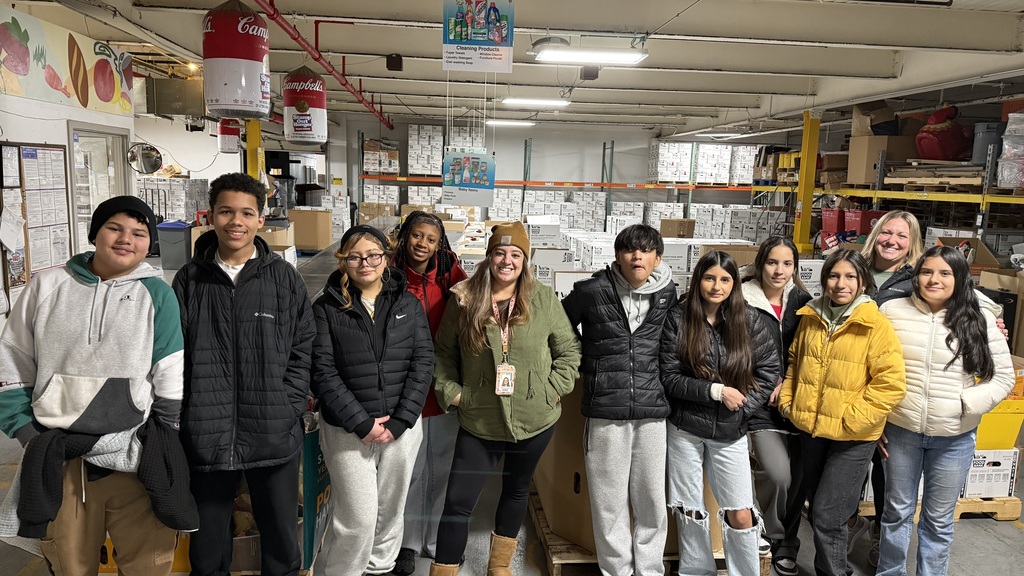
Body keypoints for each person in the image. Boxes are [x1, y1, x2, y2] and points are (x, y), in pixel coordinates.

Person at [0, 196, 189, 575]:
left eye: (138, 233)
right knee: (71, 564)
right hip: (61, 456)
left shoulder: (157, 294)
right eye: (115, 228)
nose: (126, 239)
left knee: (147, 564)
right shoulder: (48, 285)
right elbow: (13, 357)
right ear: (96, 233)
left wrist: (163, 434)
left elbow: (168, 368)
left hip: (133, 455)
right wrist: (25, 432)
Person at [173, 173, 316, 576]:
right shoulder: (190, 280)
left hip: (272, 432)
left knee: (281, 546)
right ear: (211, 216)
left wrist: (286, 405)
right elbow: (172, 354)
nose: (236, 221)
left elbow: (303, 347)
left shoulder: (283, 279)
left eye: (246, 213)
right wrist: (187, 412)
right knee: (206, 550)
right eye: (226, 211)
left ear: (260, 219)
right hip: (206, 434)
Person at [430, 221, 581, 576]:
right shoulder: (464, 298)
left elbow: (569, 350)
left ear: (525, 260)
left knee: (515, 492)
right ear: (489, 257)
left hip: (534, 418)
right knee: (458, 503)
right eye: (500, 252)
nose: (507, 260)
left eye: (516, 254)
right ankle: (445, 568)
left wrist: (553, 388)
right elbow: (443, 353)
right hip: (479, 418)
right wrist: (452, 393)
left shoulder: (541, 298)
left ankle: (499, 567)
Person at [876, 246, 1014, 576]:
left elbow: (1004, 376)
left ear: (958, 278)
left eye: (944, 273)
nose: (934, 279)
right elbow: (871, 368)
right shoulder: (892, 311)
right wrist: (877, 419)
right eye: (927, 272)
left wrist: (964, 404)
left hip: (954, 438)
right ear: (916, 276)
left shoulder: (977, 316)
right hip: (901, 431)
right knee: (896, 513)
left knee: (938, 521)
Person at [311, 225, 434, 575]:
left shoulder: (407, 303)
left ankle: (380, 570)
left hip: (402, 427)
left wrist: (399, 421)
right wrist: (362, 423)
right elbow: (322, 372)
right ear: (343, 261)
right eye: (354, 256)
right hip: (349, 431)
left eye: (373, 255)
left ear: (385, 257)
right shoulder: (326, 308)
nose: (365, 263)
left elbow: (423, 362)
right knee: (357, 520)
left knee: (391, 514)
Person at [778, 249, 906, 576]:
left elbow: (890, 384)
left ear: (863, 282)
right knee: (823, 513)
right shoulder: (811, 316)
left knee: (827, 515)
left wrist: (852, 420)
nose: (841, 283)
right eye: (834, 276)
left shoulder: (875, 324)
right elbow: (795, 364)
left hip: (853, 438)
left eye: (850, 276)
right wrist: (791, 405)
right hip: (811, 429)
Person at [561, 224, 677, 576]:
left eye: (645, 251)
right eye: (629, 250)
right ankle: (617, 570)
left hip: (652, 411)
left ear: (657, 258)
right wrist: (587, 360)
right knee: (608, 501)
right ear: (617, 256)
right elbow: (559, 327)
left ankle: (650, 569)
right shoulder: (591, 291)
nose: (636, 256)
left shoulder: (670, 295)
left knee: (651, 500)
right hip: (606, 411)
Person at [659, 250, 779, 576]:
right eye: (710, 278)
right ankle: (696, 571)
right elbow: (669, 377)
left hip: (731, 431)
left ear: (734, 283)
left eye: (725, 279)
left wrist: (743, 409)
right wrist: (716, 391)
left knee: (741, 512)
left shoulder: (748, 320)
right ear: (698, 280)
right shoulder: (679, 318)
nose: (716, 286)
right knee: (690, 510)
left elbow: (770, 372)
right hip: (685, 429)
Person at [389, 212, 468, 575]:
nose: (423, 244)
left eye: (431, 239)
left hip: (445, 381)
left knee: (444, 467)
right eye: (416, 236)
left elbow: (475, 305)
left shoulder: (451, 272)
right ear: (405, 236)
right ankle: (405, 543)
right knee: (410, 469)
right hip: (404, 384)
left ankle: (437, 540)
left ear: (440, 244)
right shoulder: (388, 271)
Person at [740, 236, 812, 576]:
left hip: (798, 404)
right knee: (777, 474)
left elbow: (812, 354)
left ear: (795, 267)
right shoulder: (740, 298)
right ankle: (769, 534)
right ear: (760, 263)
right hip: (759, 404)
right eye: (772, 262)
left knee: (797, 482)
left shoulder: (804, 302)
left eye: (786, 263)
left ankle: (787, 545)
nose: (779, 270)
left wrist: (790, 382)